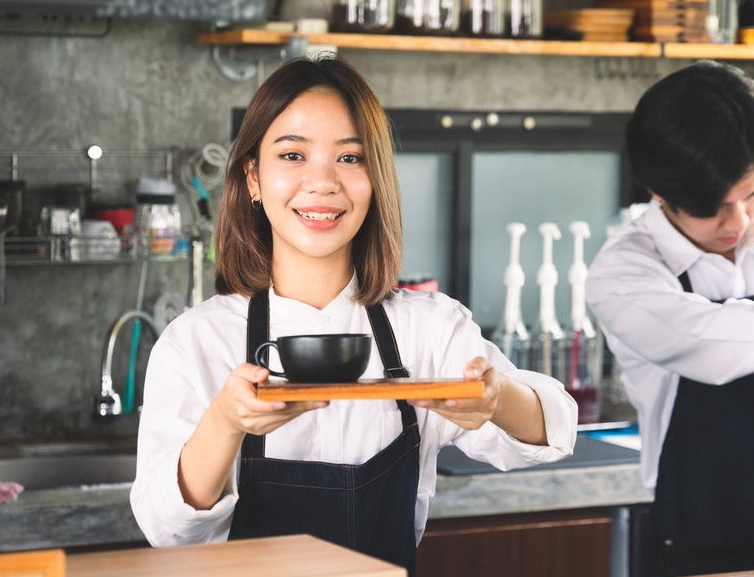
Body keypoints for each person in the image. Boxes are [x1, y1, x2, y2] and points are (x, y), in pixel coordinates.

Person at [129, 55, 577, 575]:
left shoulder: (427, 327)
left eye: (350, 158)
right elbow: (164, 529)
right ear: (252, 177)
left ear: (376, 179)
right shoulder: (197, 342)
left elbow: (557, 426)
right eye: (293, 155)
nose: (322, 183)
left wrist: (497, 399)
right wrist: (226, 423)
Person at [584, 60, 754, 577]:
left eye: (752, 193)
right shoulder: (622, 273)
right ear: (659, 193)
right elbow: (716, 344)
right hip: (703, 539)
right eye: (713, 208)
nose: (740, 221)